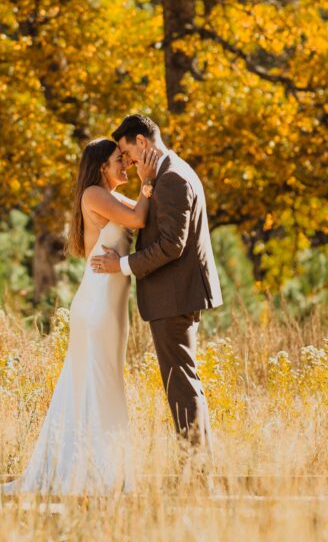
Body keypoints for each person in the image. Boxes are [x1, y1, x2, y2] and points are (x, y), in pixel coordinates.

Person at [0, 136, 158, 496]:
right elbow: (138, 216)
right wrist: (148, 180)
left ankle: (106, 471)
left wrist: (151, 183)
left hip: (112, 305)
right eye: (120, 159)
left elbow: (147, 214)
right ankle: (96, 475)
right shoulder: (94, 195)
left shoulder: (111, 196)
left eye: (127, 159)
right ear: (102, 165)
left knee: (105, 383)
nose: (126, 164)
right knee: (97, 383)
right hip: (98, 305)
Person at [91, 113, 222, 451]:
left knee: (181, 382)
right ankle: (199, 462)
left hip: (174, 295)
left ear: (143, 143)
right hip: (175, 294)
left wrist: (122, 265)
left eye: (128, 152)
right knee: (183, 379)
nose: (128, 161)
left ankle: (195, 466)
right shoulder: (168, 173)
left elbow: (170, 245)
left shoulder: (172, 179)